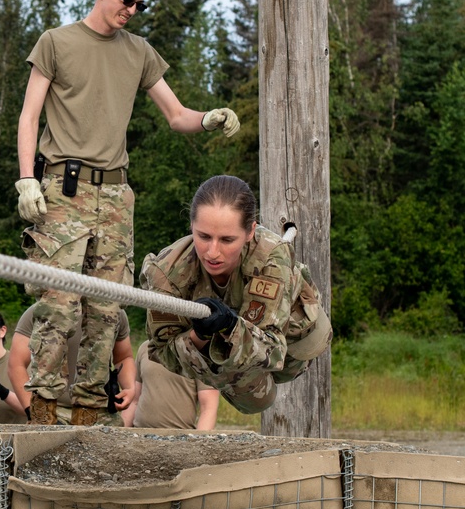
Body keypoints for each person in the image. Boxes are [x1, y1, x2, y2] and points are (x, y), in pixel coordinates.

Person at [15, 0, 242, 425]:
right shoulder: (57, 43)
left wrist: (208, 118)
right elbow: (29, 116)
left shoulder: (137, 51)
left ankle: (87, 412)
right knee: (58, 304)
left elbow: (176, 115)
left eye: (140, 4)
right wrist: (26, 179)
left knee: (105, 310)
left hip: (116, 197)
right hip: (64, 189)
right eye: (126, 0)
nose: (132, 11)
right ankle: (41, 410)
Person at [140, 175, 333, 414]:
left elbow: (273, 352)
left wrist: (232, 326)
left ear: (251, 231)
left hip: (295, 339)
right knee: (255, 398)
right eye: (204, 236)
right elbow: (161, 352)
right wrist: (199, 336)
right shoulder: (166, 272)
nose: (213, 252)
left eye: (227, 240)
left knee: (293, 358)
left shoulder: (272, 256)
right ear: (191, 226)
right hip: (232, 357)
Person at [9, 303, 135, 426]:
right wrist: (32, 410)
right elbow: (16, 364)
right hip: (54, 411)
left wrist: (129, 388)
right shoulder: (41, 310)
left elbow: (124, 357)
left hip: (100, 411)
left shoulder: (113, 312)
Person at [124, 343, 219, 429]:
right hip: (140, 433)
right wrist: (120, 433)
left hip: (179, 436)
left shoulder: (200, 352)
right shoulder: (145, 348)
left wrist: (198, 442)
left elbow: (208, 407)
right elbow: (134, 401)